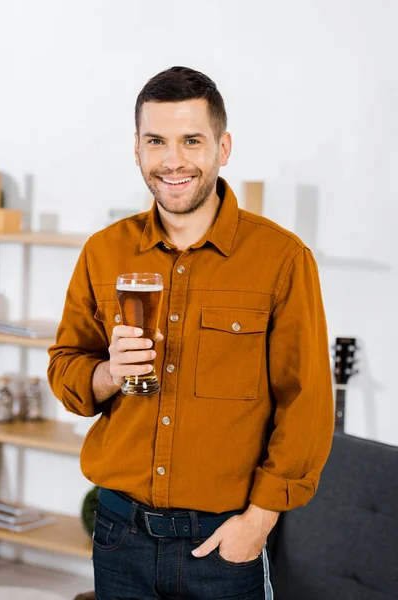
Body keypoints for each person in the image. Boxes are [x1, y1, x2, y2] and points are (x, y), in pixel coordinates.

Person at [48, 66, 334, 600]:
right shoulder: (103, 251)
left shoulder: (282, 259)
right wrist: (109, 373)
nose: (172, 160)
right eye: (156, 141)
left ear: (223, 147)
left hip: (224, 542)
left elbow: (308, 403)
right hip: (118, 536)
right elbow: (66, 367)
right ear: (137, 148)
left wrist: (258, 523)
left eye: (192, 140)